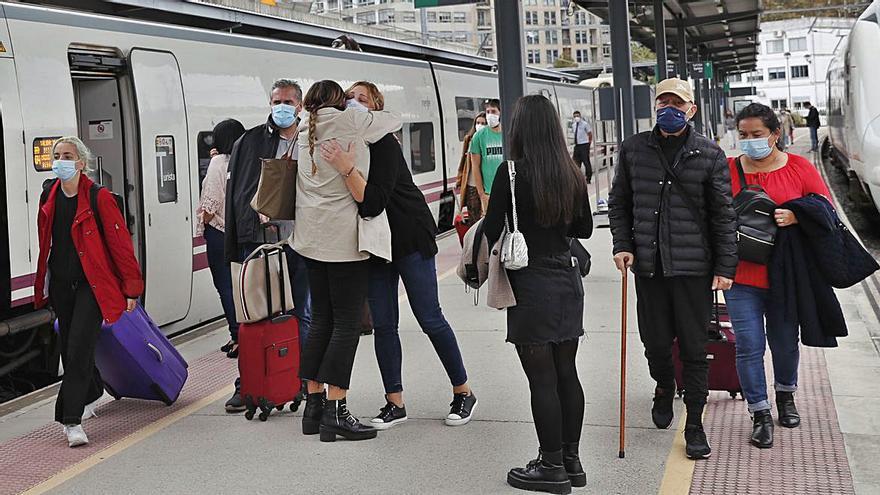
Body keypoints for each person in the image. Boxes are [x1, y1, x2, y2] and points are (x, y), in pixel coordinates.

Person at [321, 81, 477, 431]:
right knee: (384, 325)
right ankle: (395, 402)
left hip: (408, 237)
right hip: (375, 246)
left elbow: (374, 200)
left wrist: (347, 169)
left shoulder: (384, 144)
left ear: (375, 109)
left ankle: (463, 391)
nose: (354, 104)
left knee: (429, 317)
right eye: (349, 99)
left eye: (362, 99)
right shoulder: (348, 146)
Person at [608, 78, 737, 460]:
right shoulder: (634, 149)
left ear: (691, 110)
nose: (669, 108)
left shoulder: (709, 154)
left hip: (693, 269)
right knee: (656, 343)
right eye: (663, 101)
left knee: (696, 349)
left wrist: (725, 266)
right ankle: (664, 385)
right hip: (649, 268)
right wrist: (622, 245)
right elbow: (620, 203)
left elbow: (723, 216)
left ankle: (694, 423)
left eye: (677, 104)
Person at [483, 95, 593, 494]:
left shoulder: (510, 174)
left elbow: (493, 227)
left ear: (519, 130)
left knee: (541, 380)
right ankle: (571, 460)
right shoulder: (572, 171)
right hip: (566, 281)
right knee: (567, 373)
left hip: (529, 286)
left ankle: (550, 467)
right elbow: (584, 230)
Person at [293, 80, 401, 442]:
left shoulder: (302, 128)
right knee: (346, 325)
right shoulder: (348, 123)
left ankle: (313, 407)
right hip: (343, 244)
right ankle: (336, 412)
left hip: (310, 240)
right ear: (340, 102)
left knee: (320, 321)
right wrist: (357, 113)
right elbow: (393, 120)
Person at [726, 103, 832, 449]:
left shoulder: (799, 168)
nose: (750, 141)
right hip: (741, 276)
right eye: (743, 135)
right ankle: (759, 412)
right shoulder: (727, 171)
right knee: (748, 346)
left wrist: (797, 216)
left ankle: (786, 395)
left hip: (786, 276)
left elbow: (826, 210)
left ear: (775, 134)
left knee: (785, 342)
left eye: (757, 135)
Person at [33, 137, 144, 447]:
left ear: (81, 163)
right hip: (60, 285)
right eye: (57, 155)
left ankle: (71, 420)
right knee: (70, 348)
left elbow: (121, 247)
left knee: (80, 347)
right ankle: (92, 390)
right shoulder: (48, 195)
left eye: (67, 155)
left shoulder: (99, 198)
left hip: (90, 286)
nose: (61, 161)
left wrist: (131, 288)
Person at [223, 79, 312, 412]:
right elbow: (239, 192)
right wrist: (250, 218)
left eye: (288, 101)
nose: (282, 107)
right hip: (262, 243)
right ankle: (250, 383)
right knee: (254, 313)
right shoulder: (251, 141)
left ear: (300, 106)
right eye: (277, 101)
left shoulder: (311, 139)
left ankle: (298, 379)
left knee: (300, 312)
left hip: (302, 241)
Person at [196, 119, 245, 358]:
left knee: (224, 286)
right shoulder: (245, 160)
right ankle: (240, 334)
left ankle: (238, 336)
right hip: (241, 232)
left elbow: (211, 201)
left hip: (219, 233)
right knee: (240, 287)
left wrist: (203, 220)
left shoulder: (217, 162)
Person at [468, 98, 504, 216]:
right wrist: (482, 194)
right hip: (489, 193)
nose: (489, 115)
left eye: (493, 111)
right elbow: (475, 166)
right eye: (487, 112)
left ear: (500, 113)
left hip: (508, 190)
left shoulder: (508, 134)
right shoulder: (478, 137)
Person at [457, 111, 487, 224]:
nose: (480, 125)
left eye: (483, 123)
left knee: (486, 215)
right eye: (478, 123)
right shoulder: (469, 139)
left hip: (486, 185)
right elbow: (463, 161)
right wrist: (459, 179)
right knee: (473, 216)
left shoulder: (491, 140)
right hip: (471, 184)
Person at [571, 110, 593, 183]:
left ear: (580, 116)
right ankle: (577, 178)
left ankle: (588, 178)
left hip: (584, 145)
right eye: (574, 116)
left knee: (586, 162)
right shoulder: (573, 125)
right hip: (577, 146)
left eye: (577, 116)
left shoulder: (585, 124)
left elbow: (590, 134)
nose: (576, 118)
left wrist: (588, 144)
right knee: (575, 162)